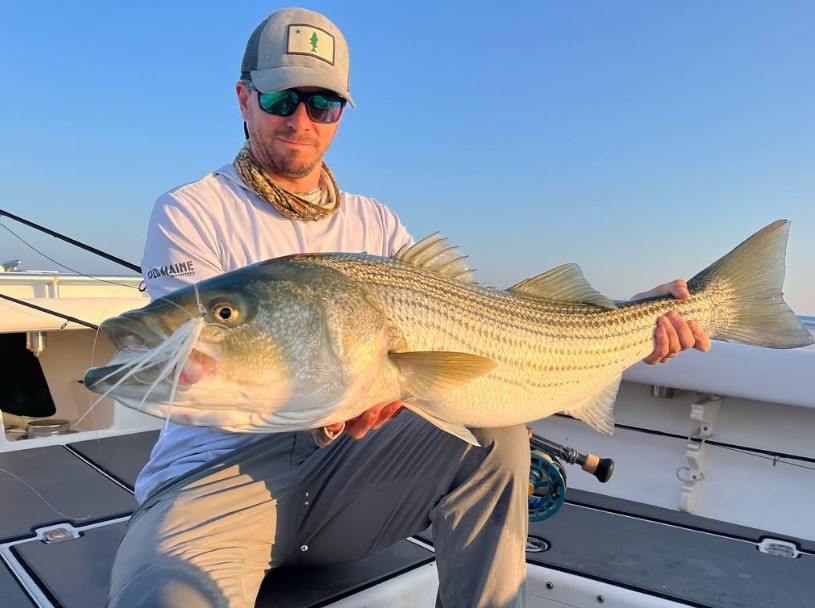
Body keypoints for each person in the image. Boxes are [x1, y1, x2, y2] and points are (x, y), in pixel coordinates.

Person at [108, 8, 710, 608]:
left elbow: (479, 328)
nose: (300, 119)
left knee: (497, 438)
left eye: (322, 104)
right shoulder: (192, 210)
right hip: (219, 481)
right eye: (279, 96)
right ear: (244, 98)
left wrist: (631, 316)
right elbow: (206, 371)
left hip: (344, 487)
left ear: (342, 114)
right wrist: (340, 395)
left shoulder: (378, 224)